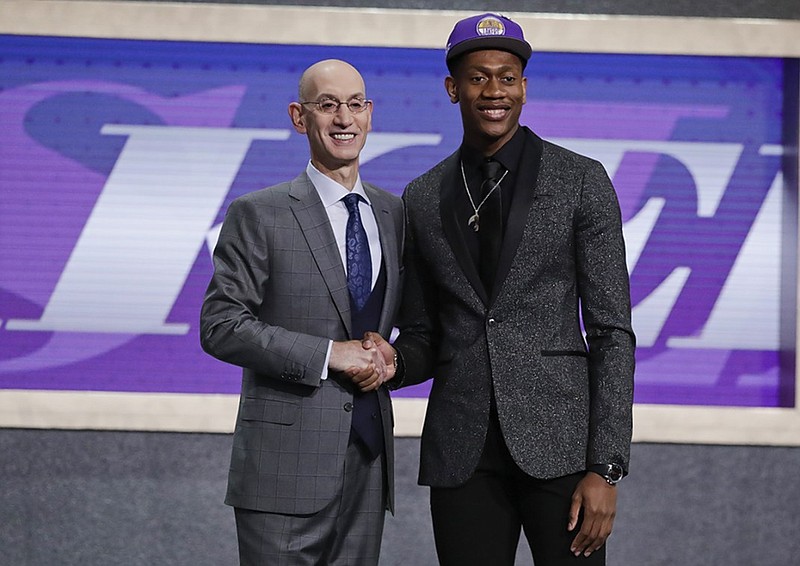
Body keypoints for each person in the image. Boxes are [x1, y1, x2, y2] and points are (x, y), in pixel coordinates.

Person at [363, 13, 635, 566]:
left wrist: (606, 466)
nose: (494, 92)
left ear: (525, 88)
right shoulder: (422, 195)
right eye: (479, 77)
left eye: (507, 78)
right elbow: (423, 332)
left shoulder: (581, 179)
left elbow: (611, 331)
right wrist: (389, 362)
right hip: (463, 452)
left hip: (560, 449)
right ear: (453, 88)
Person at [200, 59, 403, 566]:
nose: (343, 118)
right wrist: (330, 354)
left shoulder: (394, 214)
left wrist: (394, 357)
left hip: (367, 462)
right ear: (299, 117)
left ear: (370, 115)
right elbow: (221, 324)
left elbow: (406, 323)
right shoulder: (259, 212)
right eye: (327, 104)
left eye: (355, 104)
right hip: (282, 472)